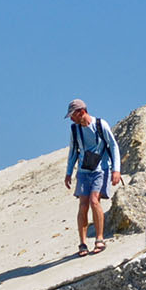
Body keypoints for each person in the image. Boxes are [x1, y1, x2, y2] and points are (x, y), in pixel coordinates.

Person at [62, 99, 121, 256]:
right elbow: (73, 151)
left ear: (82, 112)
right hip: (83, 171)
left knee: (94, 201)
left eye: (73, 115)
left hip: (100, 169)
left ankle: (99, 239)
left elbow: (114, 146)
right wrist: (68, 172)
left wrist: (116, 170)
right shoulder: (75, 130)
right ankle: (82, 244)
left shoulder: (101, 125)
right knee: (83, 205)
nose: (72, 119)